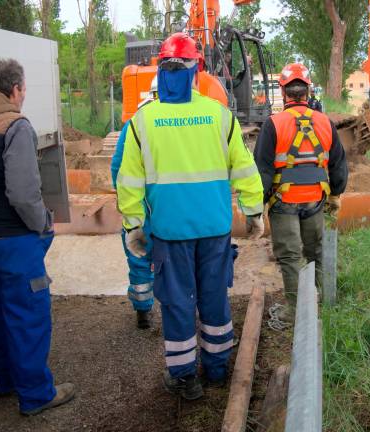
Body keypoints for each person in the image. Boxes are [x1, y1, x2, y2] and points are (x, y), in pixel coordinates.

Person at [116, 33, 264, 401]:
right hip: (214, 231)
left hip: (170, 232)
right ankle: (216, 369)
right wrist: (253, 212)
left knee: (178, 303)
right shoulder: (219, 116)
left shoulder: (142, 122)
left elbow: (128, 181)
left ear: (160, 70)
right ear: (197, 69)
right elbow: (246, 170)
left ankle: (184, 378)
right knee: (214, 297)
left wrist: (133, 226)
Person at [0, 59, 75, 416]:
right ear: (15, 90)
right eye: (24, 89)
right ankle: (36, 394)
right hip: (17, 241)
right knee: (27, 316)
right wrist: (43, 224)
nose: (24, 95)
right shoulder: (15, 126)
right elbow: (23, 194)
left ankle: (5, 380)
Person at [253, 63, 348, 321]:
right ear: (308, 91)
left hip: (283, 202)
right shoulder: (325, 122)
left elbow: (261, 169)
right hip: (316, 201)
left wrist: (258, 206)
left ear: (284, 92)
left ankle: (296, 311)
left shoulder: (273, 124)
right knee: (316, 251)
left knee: (290, 256)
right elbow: (339, 163)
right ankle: (324, 303)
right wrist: (336, 195)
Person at [110, 77, 158, 329]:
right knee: (173, 260)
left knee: (139, 257)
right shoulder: (176, 124)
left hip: (139, 208)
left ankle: (143, 311)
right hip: (169, 209)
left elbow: (117, 167)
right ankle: (178, 311)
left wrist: (124, 198)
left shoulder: (134, 125)